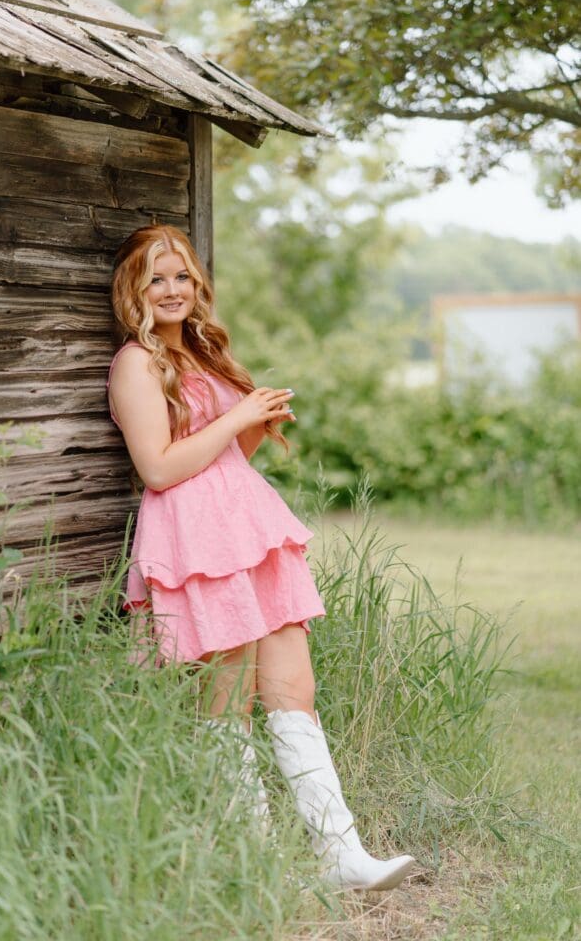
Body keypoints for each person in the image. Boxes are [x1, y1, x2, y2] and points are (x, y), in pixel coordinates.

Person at [106, 224, 415, 891]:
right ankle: (255, 866)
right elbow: (158, 469)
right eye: (156, 277)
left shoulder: (202, 352)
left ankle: (342, 857)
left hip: (248, 526)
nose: (171, 289)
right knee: (224, 700)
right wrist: (232, 417)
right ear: (133, 288)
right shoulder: (135, 362)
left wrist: (250, 428)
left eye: (182, 276)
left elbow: (220, 458)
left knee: (291, 692)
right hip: (196, 540)